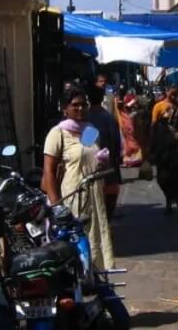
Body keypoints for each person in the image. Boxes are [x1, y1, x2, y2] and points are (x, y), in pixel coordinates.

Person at [41, 87, 115, 269]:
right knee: (75, 245)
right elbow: (49, 171)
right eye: (75, 105)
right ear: (65, 108)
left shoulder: (89, 131)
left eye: (84, 104)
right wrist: (57, 206)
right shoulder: (57, 133)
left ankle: (96, 280)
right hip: (72, 198)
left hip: (93, 197)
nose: (81, 109)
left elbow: (87, 155)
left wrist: (102, 161)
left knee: (94, 242)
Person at [150, 85, 178, 214]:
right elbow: (153, 126)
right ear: (166, 92)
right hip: (164, 147)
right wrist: (151, 146)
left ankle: (177, 195)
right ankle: (169, 200)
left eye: (175, 94)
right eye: (171, 94)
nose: (173, 97)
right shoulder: (158, 107)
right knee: (165, 176)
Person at [87, 84, 123, 218]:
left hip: (89, 163)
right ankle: (106, 221)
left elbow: (86, 143)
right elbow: (115, 141)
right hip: (107, 164)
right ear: (102, 97)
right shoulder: (108, 118)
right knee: (109, 196)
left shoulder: (86, 119)